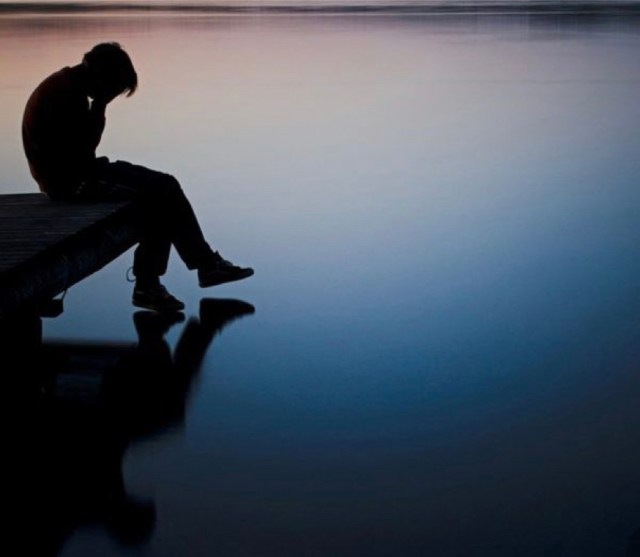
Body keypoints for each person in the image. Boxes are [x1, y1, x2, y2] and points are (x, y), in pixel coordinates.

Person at [21, 42, 254, 312]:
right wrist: (99, 107)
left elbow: (82, 151)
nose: (111, 96)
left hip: (76, 171)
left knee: (164, 185)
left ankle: (194, 269)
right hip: (69, 182)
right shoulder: (65, 95)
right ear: (101, 77)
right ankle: (156, 281)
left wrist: (97, 107)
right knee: (156, 196)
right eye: (113, 90)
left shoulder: (67, 86)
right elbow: (82, 151)